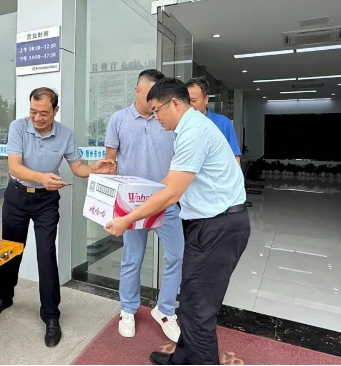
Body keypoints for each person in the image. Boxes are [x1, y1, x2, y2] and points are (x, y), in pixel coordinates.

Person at [105, 78, 250, 365]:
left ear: (174, 103)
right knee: (192, 303)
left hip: (218, 227)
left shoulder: (193, 132)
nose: (156, 118)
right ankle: (181, 358)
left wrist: (127, 218)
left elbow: (172, 192)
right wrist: (136, 202)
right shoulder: (188, 128)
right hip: (208, 224)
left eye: (157, 110)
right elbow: (170, 182)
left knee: (199, 310)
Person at [0, 87, 116, 348]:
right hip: (17, 196)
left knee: (46, 255)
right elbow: (14, 166)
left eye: (44, 113)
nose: (37, 118)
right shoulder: (18, 128)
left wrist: (95, 169)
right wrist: (41, 177)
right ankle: (4, 297)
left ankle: (51, 316)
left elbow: (77, 168)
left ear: (55, 110)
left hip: (46, 201)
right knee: (11, 251)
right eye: (33, 111)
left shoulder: (65, 134)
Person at [105, 69, 184, 343]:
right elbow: (110, 164)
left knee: (177, 255)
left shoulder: (169, 120)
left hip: (166, 200)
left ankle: (165, 310)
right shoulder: (118, 119)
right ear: (137, 90)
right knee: (132, 257)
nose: (155, 100)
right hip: (132, 204)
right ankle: (128, 309)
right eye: (150, 93)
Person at [185, 77, 241, 164]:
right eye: (187, 101)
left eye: (193, 101)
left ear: (206, 99)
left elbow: (235, 158)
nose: (190, 105)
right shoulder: (180, 124)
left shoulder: (223, 123)